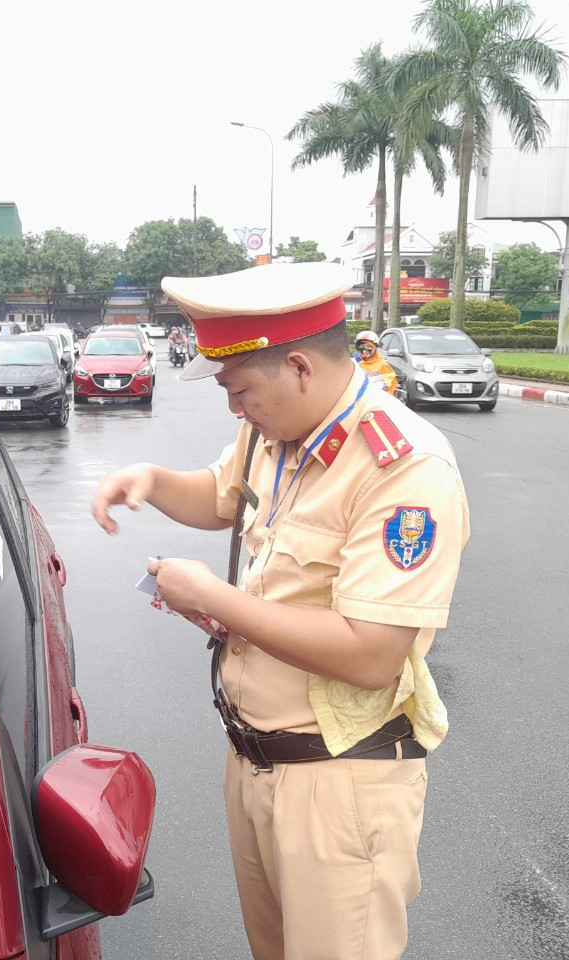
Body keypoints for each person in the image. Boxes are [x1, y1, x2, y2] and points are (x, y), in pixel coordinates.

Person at [91, 261, 470, 960]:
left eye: (239, 391)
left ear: (299, 367)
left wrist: (214, 598)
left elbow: (371, 653)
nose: (235, 410)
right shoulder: (277, 429)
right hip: (254, 760)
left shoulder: (403, 466)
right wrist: (151, 479)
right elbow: (221, 495)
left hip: (338, 780)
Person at [354, 329, 398, 395]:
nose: (365, 349)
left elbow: (391, 382)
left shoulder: (382, 364)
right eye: (362, 346)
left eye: (369, 346)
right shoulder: (356, 364)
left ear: (375, 348)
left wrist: (380, 383)